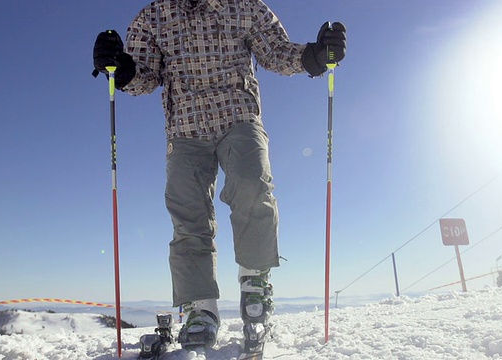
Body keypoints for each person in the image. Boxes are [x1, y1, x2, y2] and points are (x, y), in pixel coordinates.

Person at [93, 0, 346, 353]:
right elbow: (145, 76)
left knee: (251, 187)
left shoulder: (245, 7)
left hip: (238, 116)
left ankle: (255, 285)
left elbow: (274, 51)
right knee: (187, 212)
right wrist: (122, 69)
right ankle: (201, 308)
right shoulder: (154, 16)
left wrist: (314, 56)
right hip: (184, 127)